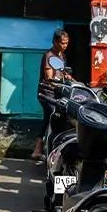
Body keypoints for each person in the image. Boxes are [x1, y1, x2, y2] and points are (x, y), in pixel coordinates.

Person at [31, 29, 69, 160]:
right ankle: (52, 150)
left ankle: (38, 150)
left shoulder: (62, 56)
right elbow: (49, 77)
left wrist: (74, 81)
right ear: (55, 42)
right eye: (62, 43)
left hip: (57, 94)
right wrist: (58, 80)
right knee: (55, 116)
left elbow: (64, 73)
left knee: (48, 118)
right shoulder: (49, 56)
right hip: (46, 93)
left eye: (66, 43)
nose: (65, 46)